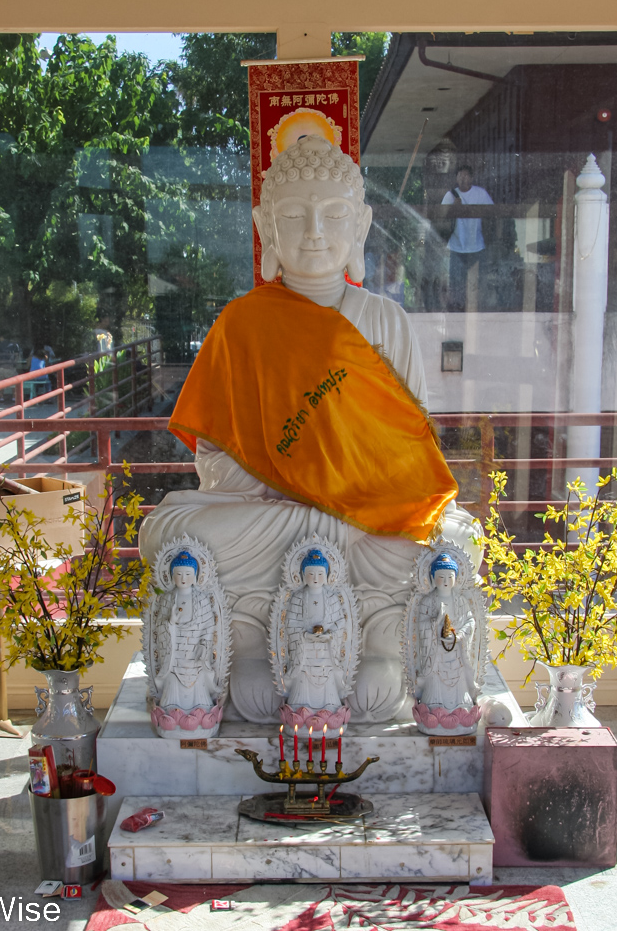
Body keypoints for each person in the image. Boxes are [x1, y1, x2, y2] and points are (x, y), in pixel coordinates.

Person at [139, 134, 468, 724]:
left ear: (362, 226)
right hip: (270, 509)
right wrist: (282, 480)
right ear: (266, 225)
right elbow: (213, 459)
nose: (315, 230)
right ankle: (253, 649)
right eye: (294, 215)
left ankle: (378, 649)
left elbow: (411, 448)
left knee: (447, 540)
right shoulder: (241, 325)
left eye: (334, 214)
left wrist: (341, 486)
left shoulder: (383, 319)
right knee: (171, 532)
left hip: (365, 516)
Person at [153, 551, 221, 712]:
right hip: (174, 658)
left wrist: (204, 645)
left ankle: (202, 711)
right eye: (178, 573)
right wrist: (170, 623)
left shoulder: (202, 599)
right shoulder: (167, 599)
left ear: (196, 576)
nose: (183, 578)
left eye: (188, 574)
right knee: (171, 696)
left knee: (199, 693)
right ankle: (170, 712)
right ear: (171, 576)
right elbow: (158, 626)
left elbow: (209, 625)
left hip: (195, 655)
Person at [283, 549, 349, 712]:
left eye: (320, 574)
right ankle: (299, 709)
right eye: (310, 573)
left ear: (327, 576)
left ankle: (331, 708)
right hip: (305, 650)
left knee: (327, 679)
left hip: (327, 649)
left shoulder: (332, 598)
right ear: (303, 575)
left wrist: (330, 635)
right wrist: (304, 636)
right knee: (303, 678)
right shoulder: (298, 598)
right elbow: (291, 623)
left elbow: (340, 622)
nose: (315, 578)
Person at [413, 552, 479, 713]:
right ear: (432, 578)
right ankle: (433, 706)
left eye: (450, 577)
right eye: (441, 577)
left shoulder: (460, 601)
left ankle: (461, 707)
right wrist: (435, 623)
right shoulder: (427, 601)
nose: (445, 581)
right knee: (435, 685)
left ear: (456, 578)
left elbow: (470, 621)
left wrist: (459, 636)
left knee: (460, 683)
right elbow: (420, 625)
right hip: (435, 654)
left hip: (457, 651)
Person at [441, 164, 494, 311]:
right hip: (456, 246)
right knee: (456, 284)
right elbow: (441, 218)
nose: (463, 178)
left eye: (466, 175)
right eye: (460, 175)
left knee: (478, 283)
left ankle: (477, 311)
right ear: (456, 178)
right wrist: (454, 208)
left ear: (472, 178)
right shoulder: (450, 195)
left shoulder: (481, 194)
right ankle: (457, 312)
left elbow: (492, 213)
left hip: (477, 246)